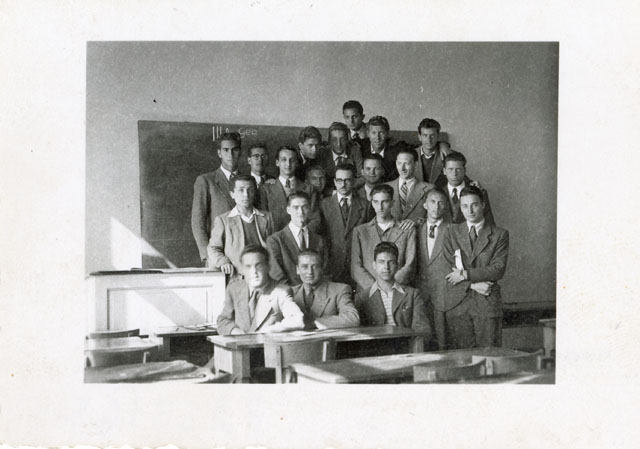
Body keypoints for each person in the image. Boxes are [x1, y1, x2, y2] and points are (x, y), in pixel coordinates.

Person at [441, 185, 509, 349]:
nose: (470, 211)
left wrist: (465, 274)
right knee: (460, 358)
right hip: (458, 304)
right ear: (460, 207)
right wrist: (472, 285)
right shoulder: (451, 232)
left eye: (474, 205)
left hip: (486, 303)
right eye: (465, 206)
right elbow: (445, 268)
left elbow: (497, 269)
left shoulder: (499, 234)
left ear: (483, 205)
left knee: (489, 356)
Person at [216, 244, 305, 335]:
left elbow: (297, 320)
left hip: (267, 343)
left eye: (258, 266)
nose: (254, 272)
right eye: (248, 266)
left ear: (268, 267)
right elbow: (223, 320)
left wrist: (268, 331)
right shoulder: (234, 289)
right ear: (242, 270)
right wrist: (238, 333)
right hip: (240, 342)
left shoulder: (281, 292)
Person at [355, 242, 430, 337]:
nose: (386, 267)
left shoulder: (412, 294)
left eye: (391, 262)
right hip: (376, 345)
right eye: (381, 262)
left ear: (397, 266)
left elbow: (422, 329)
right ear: (374, 265)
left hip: (405, 343)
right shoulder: (362, 298)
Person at [351, 184, 417, 292]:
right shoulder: (360, 231)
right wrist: (376, 289)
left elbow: (410, 265)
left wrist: (390, 287)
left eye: (385, 202)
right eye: (376, 202)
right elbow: (356, 268)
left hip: (397, 291)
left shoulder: (407, 230)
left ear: (392, 203)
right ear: (372, 203)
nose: (380, 207)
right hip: (368, 292)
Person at [206, 175, 273, 274]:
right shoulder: (223, 220)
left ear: (254, 193)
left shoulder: (267, 217)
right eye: (241, 190)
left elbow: (275, 246)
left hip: (263, 273)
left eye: (250, 190)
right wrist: (223, 262)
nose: (246, 195)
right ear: (232, 194)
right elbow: (213, 248)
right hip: (237, 274)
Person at [191, 132, 241, 263]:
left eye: (235, 150)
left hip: (244, 254)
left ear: (240, 152)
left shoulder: (248, 181)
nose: (230, 154)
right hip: (219, 254)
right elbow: (197, 222)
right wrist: (208, 255)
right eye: (226, 150)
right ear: (219, 153)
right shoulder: (206, 181)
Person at [320, 163, 369, 286]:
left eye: (347, 180)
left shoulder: (366, 205)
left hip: (357, 265)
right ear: (334, 182)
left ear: (354, 182)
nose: (343, 184)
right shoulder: (324, 205)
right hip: (332, 264)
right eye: (339, 180)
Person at [416, 187, 452, 350]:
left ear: (445, 206)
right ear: (425, 205)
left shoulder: (452, 230)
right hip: (421, 292)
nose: (436, 207)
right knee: (422, 341)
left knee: (443, 341)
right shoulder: (416, 229)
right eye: (432, 202)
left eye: (440, 203)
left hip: (443, 293)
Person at [266, 192, 328, 286]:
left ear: (310, 209)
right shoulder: (275, 240)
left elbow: (324, 272)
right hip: (288, 292)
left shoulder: (319, 240)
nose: (301, 212)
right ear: (288, 210)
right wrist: (296, 293)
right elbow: (277, 276)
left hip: (317, 292)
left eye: (304, 207)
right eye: (296, 207)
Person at [290, 250, 360, 330]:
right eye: (305, 267)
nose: (310, 272)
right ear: (297, 270)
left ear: (322, 269)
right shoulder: (290, 293)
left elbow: (353, 318)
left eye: (315, 266)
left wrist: (313, 322)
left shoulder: (339, 290)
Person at [260, 145, 314, 232]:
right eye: (284, 160)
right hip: (275, 237)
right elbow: (263, 221)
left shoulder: (308, 188)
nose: (288, 164)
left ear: (296, 163)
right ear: (277, 162)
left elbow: (315, 219)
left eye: (292, 160)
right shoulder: (265, 189)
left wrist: (300, 233)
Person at [436, 151, 495, 225]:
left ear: (464, 170)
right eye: (450, 169)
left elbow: (489, 223)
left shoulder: (478, 191)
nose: (454, 174)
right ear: (444, 171)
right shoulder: (437, 192)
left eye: (458, 169)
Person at [385, 147, 435, 228]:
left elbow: (435, 219)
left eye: (407, 164)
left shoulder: (430, 189)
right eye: (399, 163)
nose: (402, 168)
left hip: (417, 234)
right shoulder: (385, 188)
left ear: (415, 164)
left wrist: (416, 222)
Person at [354, 115, 402, 182]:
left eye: (381, 133)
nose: (377, 137)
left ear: (387, 133)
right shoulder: (360, 148)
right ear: (368, 134)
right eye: (373, 133)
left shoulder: (395, 150)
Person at [320, 121, 364, 185]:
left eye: (342, 139)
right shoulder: (322, 153)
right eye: (334, 140)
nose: (338, 144)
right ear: (329, 141)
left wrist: (348, 186)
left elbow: (362, 176)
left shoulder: (355, 151)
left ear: (347, 140)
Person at [414, 118, 451, 185]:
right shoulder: (411, 154)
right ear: (419, 137)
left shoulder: (447, 154)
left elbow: (460, 176)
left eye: (432, 136)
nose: (429, 140)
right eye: (425, 136)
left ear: (438, 136)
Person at [355, 152, 385, 221]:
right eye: (368, 169)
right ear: (362, 172)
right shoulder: (355, 195)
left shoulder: (391, 193)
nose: (372, 172)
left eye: (376, 168)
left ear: (383, 171)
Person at [246, 143, 274, 208]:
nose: (260, 160)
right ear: (249, 160)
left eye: (263, 156)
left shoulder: (275, 181)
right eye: (256, 156)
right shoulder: (243, 181)